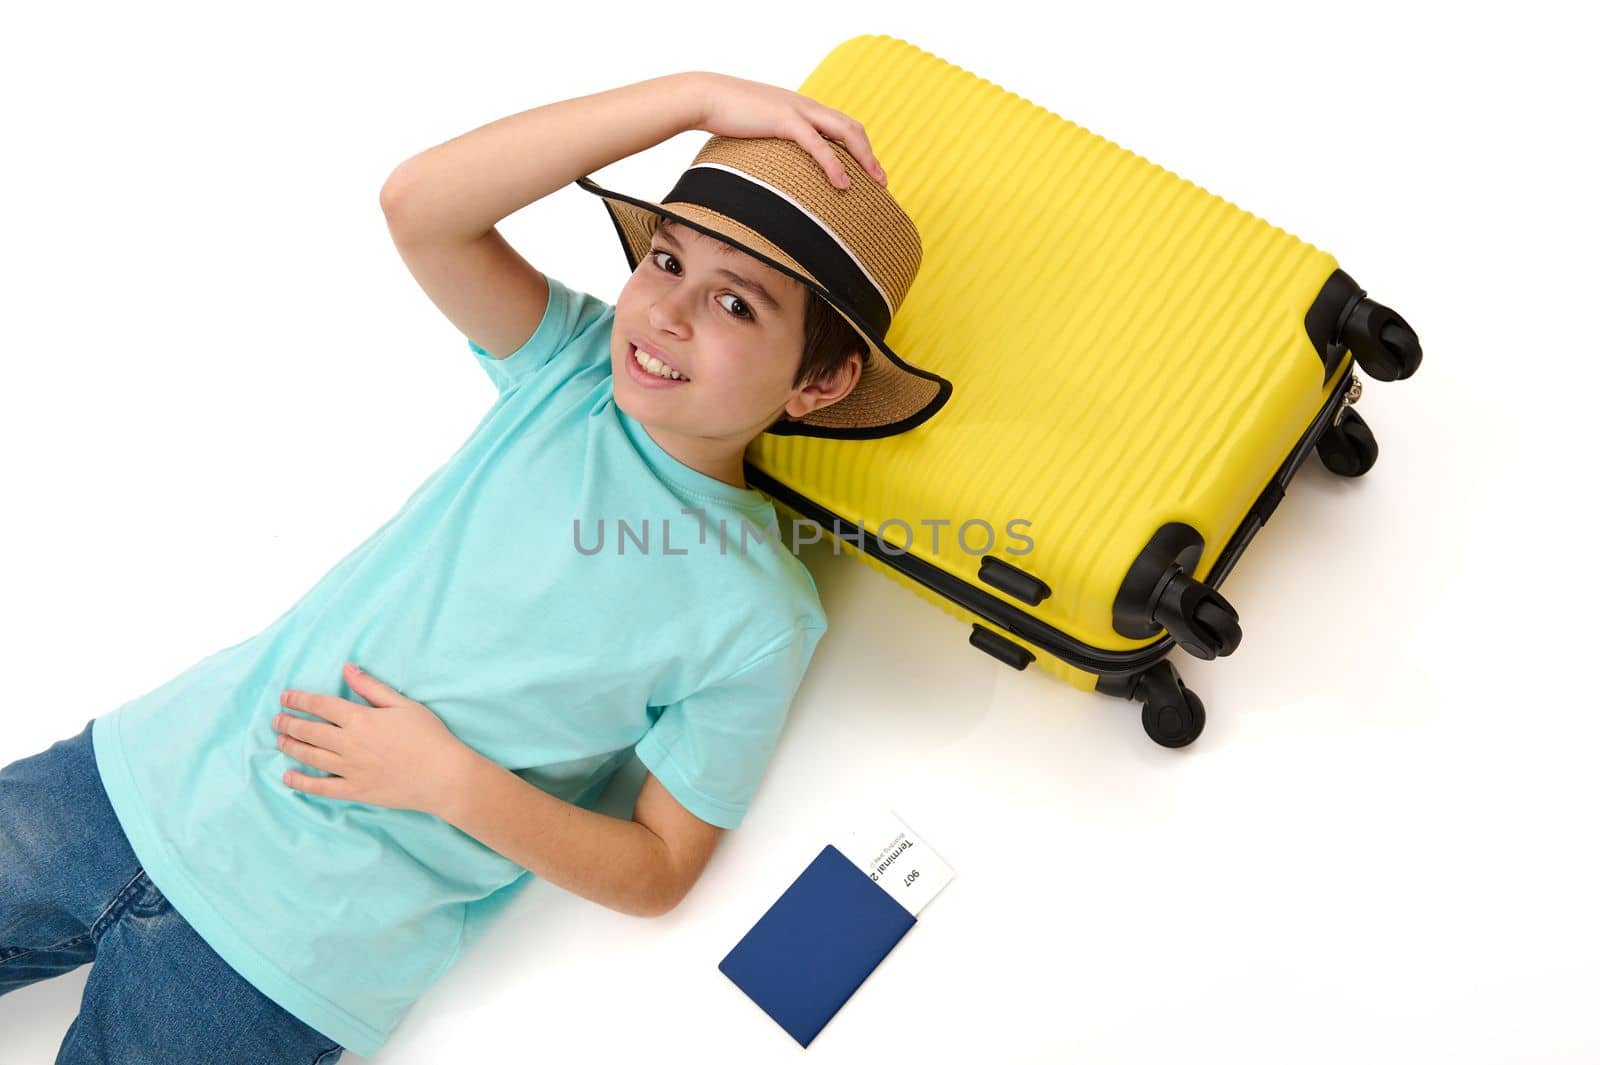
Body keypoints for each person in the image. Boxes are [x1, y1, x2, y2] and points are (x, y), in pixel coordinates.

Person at [0, 69, 950, 1062]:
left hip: (296, 953)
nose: (667, 315)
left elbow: (663, 865)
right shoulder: (570, 369)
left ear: (824, 380)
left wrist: (453, 782)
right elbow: (421, 206)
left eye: (735, 306)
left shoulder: (760, 609)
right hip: (134, 782)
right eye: (664, 260)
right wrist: (693, 100)